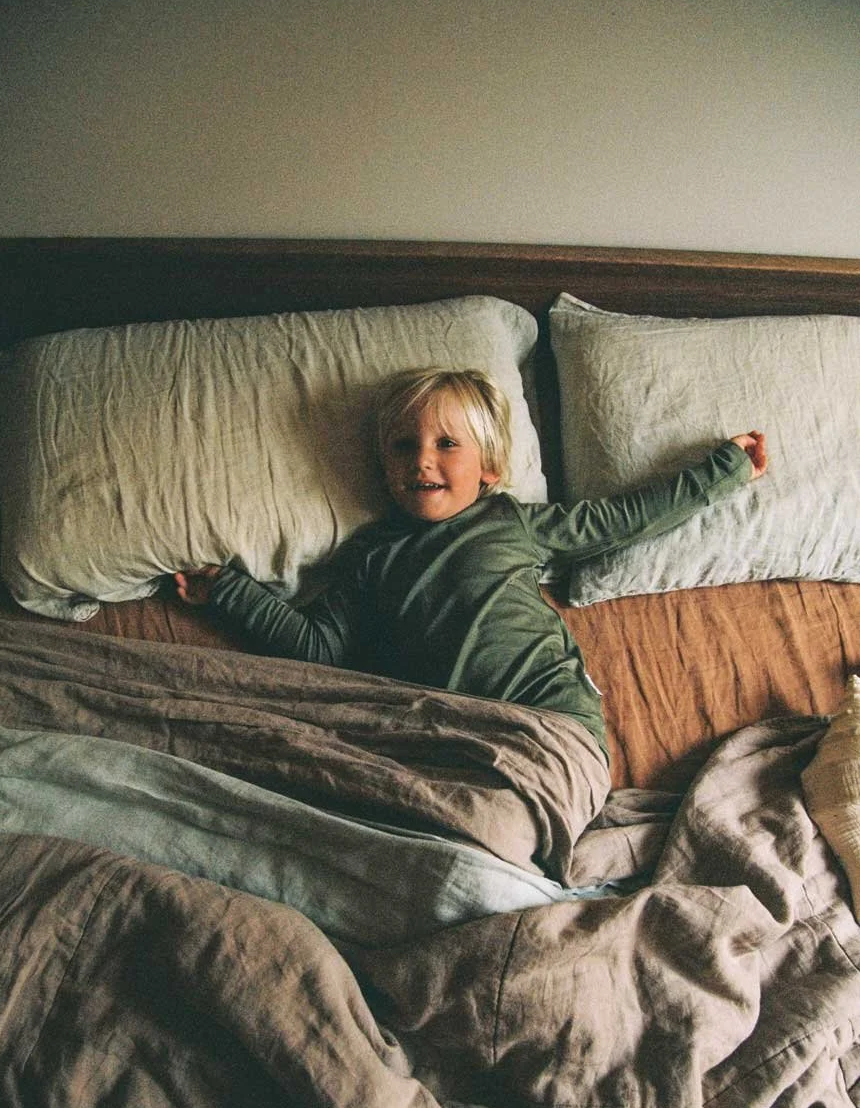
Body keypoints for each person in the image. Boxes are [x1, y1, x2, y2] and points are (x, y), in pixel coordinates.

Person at [174, 367, 767, 870]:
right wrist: (232, 592)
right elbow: (318, 648)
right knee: (419, 842)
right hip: (448, 739)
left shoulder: (508, 522)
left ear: (489, 467)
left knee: (492, 839)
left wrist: (724, 470)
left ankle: (519, 871)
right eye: (403, 446)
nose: (422, 461)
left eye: (446, 444)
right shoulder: (370, 555)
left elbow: (620, 519)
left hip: (550, 726)